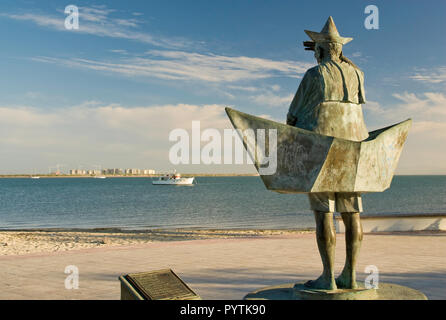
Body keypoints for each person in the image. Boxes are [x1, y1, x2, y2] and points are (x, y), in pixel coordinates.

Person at [286, 17, 367, 290]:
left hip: (320, 152)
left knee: (324, 215)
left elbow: (293, 115)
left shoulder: (314, 74)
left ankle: (329, 277)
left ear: (320, 50)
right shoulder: (358, 74)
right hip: (353, 153)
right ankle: (352, 275)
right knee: (352, 214)